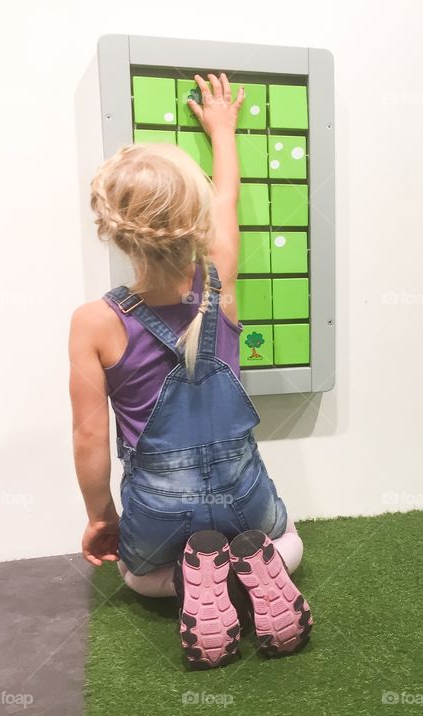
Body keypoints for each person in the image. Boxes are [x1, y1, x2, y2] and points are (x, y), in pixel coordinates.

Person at [68, 73, 312, 669]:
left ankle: (192, 577)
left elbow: (89, 437)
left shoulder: (93, 322)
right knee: (290, 543)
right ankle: (251, 564)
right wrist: (223, 131)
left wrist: (101, 518)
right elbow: (226, 202)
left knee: (136, 576)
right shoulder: (219, 280)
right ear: (195, 221)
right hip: (244, 494)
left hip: (159, 508)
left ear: (114, 230)